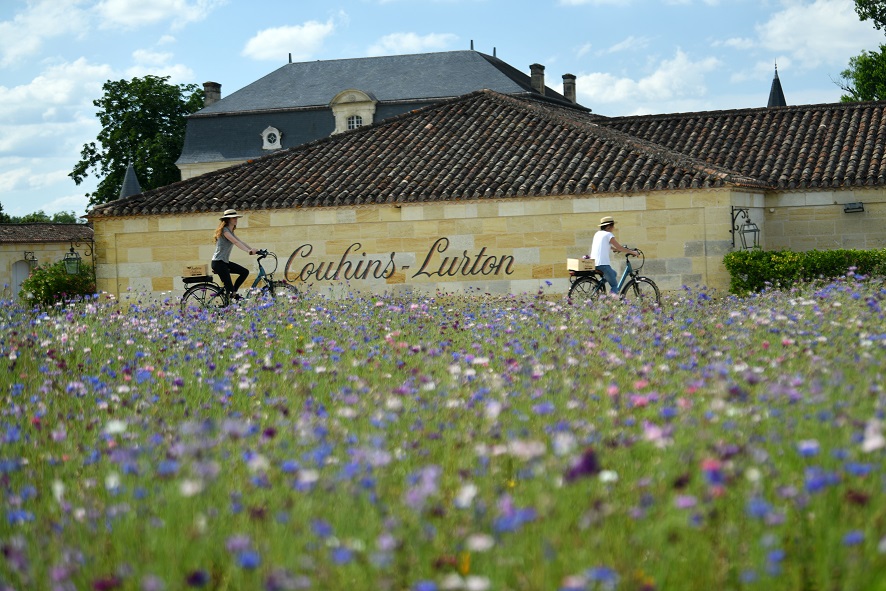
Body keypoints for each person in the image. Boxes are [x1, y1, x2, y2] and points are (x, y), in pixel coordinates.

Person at [211, 209, 259, 300]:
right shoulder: (225, 231)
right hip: (218, 263)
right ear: (228, 219)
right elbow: (236, 242)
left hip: (224, 262)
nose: (236, 219)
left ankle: (234, 293)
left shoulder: (230, 231)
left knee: (244, 272)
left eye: (236, 217)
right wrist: (248, 251)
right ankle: (229, 302)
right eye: (233, 218)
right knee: (229, 289)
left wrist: (253, 250)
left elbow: (240, 241)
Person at [590, 216, 639, 292]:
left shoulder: (598, 234)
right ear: (609, 226)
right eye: (613, 225)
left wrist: (614, 249)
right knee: (614, 285)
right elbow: (620, 247)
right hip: (603, 264)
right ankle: (610, 302)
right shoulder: (608, 235)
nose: (614, 227)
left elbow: (603, 245)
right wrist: (633, 252)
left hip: (593, 263)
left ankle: (598, 286)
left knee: (614, 273)